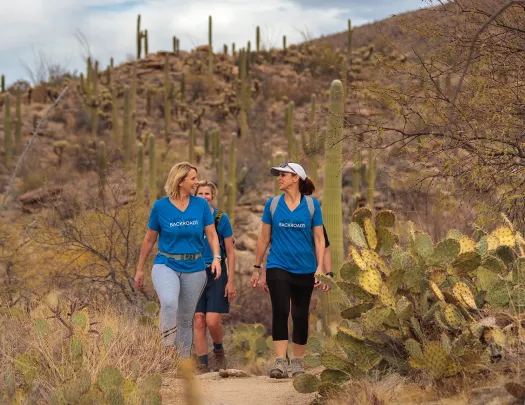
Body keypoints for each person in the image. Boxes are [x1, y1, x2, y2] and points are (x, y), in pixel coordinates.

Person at [251, 162, 331, 379]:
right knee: (280, 310)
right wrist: (257, 268)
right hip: (278, 264)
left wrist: (320, 268)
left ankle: (297, 362)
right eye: (279, 175)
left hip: (305, 267)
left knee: (299, 314)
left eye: (283, 175)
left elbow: (319, 238)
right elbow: (264, 238)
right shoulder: (273, 204)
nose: (279, 178)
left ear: (296, 178)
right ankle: (279, 362)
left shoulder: (313, 206)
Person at [134, 162, 222, 359]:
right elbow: (149, 239)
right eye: (193, 178)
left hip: (195, 267)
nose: (197, 182)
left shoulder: (200, 205)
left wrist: (216, 258)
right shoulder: (160, 206)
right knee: (169, 302)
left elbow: (212, 235)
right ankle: (165, 351)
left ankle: (181, 362)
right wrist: (140, 269)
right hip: (166, 263)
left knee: (185, 318)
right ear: (180, 180)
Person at [192, 180, 237, 372]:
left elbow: (231, 251)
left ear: (213, 196)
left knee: (212, 320)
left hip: (217, 273)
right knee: (198, 319)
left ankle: (218, 351)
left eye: (207, 194)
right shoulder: (190, 219)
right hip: (193, 272)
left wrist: (231, 282)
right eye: (200, 193)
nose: (203, 197)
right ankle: (203, 365)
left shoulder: (220, 219)